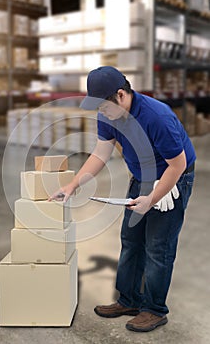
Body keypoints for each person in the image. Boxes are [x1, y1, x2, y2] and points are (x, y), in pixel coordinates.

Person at [49, 66, 196, 332]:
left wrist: (152, 198)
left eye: (103, 107)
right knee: (131, 240)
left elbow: (178, 164)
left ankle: (154, 309)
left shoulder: (156, 116)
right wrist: (71, 185)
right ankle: (129, 300)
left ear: (120, 95)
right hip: (141, 176)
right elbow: (100, 154)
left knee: (157, 247)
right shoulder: (107, 114)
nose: (101, 113)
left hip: (173, 177)